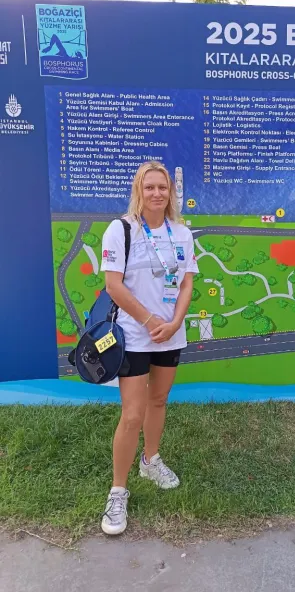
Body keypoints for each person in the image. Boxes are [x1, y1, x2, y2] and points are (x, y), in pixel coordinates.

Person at [100, 161, 198, 535]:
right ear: (139, 191)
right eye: (149, 187)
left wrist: (173, 323)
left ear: (170, 192)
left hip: (169, 334)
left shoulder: (182, 233)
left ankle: (150, 460)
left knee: (158, 400)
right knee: (132, 414)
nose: (157, 193)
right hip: (135, 335)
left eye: (163, 187)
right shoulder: (120, 229)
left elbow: (186, 284)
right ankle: (118, 491)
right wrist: (148, 320)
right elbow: (113, 286)